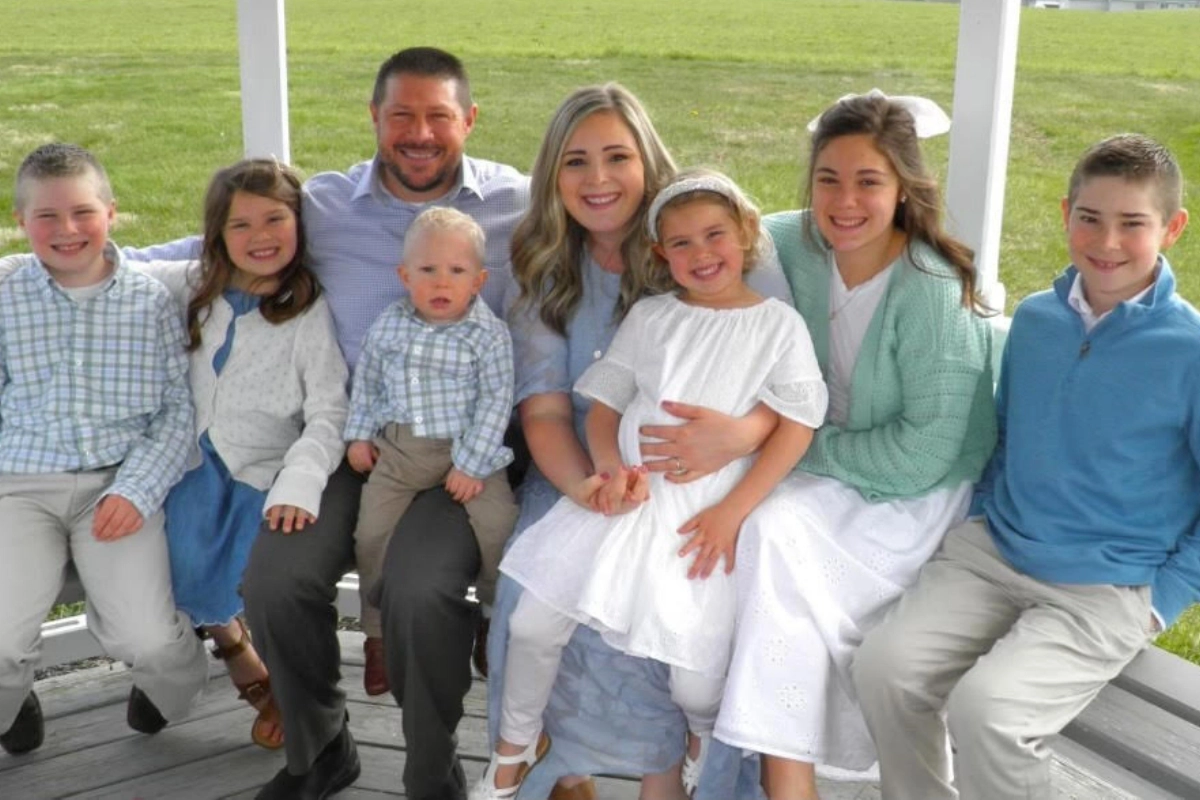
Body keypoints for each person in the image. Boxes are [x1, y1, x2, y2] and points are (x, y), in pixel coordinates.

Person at [122, 47, 529, 800]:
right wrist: (72, 257)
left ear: (468, 119)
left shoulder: (520, 204)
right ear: (374, 117)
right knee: (275, 579)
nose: (418, 133)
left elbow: (610, 236)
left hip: (467, 453)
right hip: (354, 443)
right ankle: (319, 747)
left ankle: (430, 763)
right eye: (400, 114)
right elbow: (220, 243)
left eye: (438, 115)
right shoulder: (329, 204)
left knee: (418, 586)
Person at [852, 134, 1197, 800]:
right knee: (883, 668)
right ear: (1066, 213)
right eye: (1090, 218)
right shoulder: (1039, 320)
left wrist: (1166, 599)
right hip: (996, 552)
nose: (1107, 242)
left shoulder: (1189, 350)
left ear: (1173, 229)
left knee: (991, 713)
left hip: (1105, 585)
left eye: (1133, 224)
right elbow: (1007, 433)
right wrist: (984, 510)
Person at [475, 169, 827, 800]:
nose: (701, 254)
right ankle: (515, 745)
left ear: (746, 234)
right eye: (681, 243)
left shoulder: (777, 325)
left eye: (714, 235)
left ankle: (699, 734)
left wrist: (733, 514)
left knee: (695, 684)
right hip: (630, 501)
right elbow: (607, 406)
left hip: (706, 514)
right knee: (531, 624)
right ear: (661, 253)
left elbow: (797, 426)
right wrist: (609, 468)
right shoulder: (653, 315)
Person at [711, 91, 998, 800]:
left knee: (771, 534)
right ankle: (763, 777)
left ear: (904, 189)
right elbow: (703, 233)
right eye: (828, 179)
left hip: (913, 497)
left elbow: (924, 454)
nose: (844, 202)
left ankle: (772, 782)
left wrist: (787, 446)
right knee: (745, 550)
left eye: (869, 181)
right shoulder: (792, 245)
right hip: (823, 471)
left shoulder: (929, 287)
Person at [0, 143, 207, 757]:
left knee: (150, 641)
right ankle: (12, 700)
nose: (67, 230)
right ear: (21, 223)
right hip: (18, 486)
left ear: (112, 214)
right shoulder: (6, 297)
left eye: (83, 212)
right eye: (46, 217)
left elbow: (176, 410)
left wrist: (136, 489)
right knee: (2, 641)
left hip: (117, 486)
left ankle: (161, 689)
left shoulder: (149, 302)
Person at [145, 159, 347, 752]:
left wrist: (301, 480)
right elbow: (113, 265)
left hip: (264, 469)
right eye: (241, 225)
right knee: (172, 554)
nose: (260, 237)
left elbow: (329, 413)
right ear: (216, 235)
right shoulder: (193, 285)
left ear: (299, 224)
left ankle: (279, 678)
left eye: (275, 219)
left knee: (257, 571)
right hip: (188, 462)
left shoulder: (308, 311)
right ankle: (231, 648)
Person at [345, 206, 518, 671]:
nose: (442, 283)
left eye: (456, 271)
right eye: (428, 270)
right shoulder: (389, 325)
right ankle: (377, 631)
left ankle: (489, 614)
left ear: (478, 281)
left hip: (467, 449)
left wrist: (473, 464)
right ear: (405, 275)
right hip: (400, 450)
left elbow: (496, 401)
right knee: (370, 533)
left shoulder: (489, 336)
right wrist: (359, 434)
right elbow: (368, 382)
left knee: (500, 527)